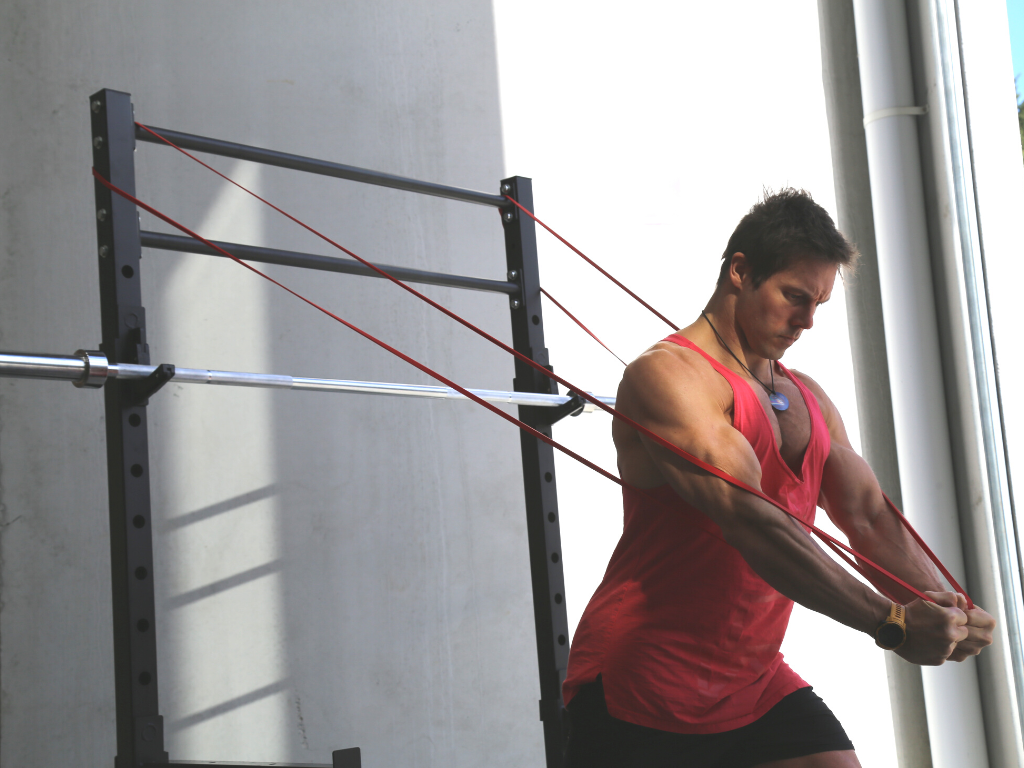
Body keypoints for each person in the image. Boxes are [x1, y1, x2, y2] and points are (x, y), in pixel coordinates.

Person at [561, 189, 996, 768]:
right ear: (740, 271)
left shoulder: (807, 395)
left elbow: (867, 517)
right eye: (794, 297)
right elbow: (750, 520)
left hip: (752, 682)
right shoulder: (667, 376)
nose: (807, 321)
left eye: (818, 303)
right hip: (645, 684)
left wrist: (939, 605)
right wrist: (891, 623)